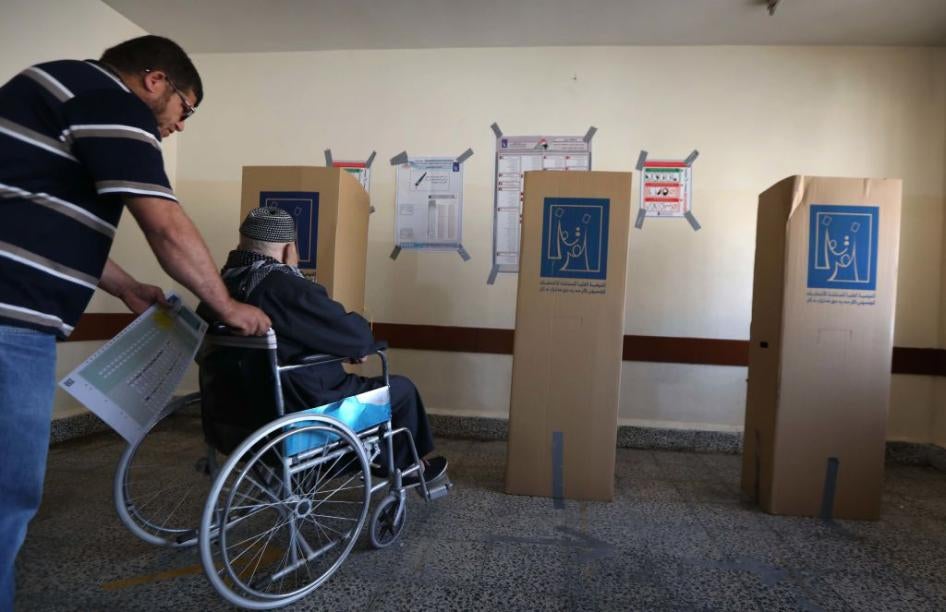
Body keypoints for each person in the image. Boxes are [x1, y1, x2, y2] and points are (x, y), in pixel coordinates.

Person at [0, 36, 270, 607]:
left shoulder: (48, 86)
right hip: (9, 319)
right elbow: (165, 224)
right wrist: (226, 306)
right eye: (185, 108)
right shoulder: (109, 101)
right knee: (5, 493)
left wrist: (126, 287)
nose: (179, 125)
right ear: (155, 81)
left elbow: (44, 220)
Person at [200, 207, 447, 481]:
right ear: (288, 250)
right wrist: (354, 347)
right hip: (301, 411)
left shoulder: (220, 289)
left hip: (232, 418)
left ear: (241, 242)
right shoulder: (285, 286)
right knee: (401, 389)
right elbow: (358, 338)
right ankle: (409, 468)